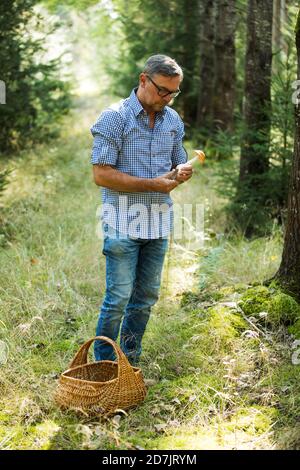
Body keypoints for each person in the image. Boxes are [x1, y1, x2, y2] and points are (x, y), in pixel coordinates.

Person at [90, 54, 193, 365]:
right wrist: (152, 184)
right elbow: (101, 174)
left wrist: (181, 173)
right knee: (118, 299)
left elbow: (177, 164)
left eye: (173, 93)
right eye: (162, 90)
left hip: (158, 224)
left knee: (145, 299)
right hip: (122, 223)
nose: (166, 98)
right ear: (143, 80)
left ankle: (130, 361)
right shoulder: (114, 118)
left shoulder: (173, 120)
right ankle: (105, 364)